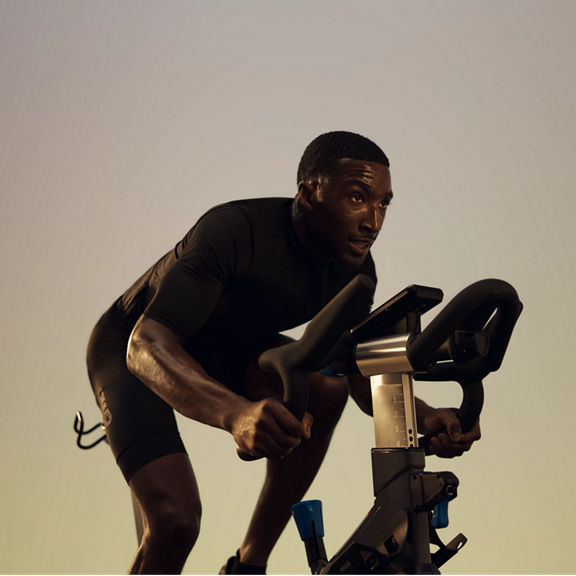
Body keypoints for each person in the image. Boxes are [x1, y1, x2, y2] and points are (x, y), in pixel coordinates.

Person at [86, 131, 481, 574]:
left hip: (230, 346)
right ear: (309, 194)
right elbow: (145, 345)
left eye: (384, 203)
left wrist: (423, 415)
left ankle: (250, 562)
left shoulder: (354, 271)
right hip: (134, 347)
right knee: (176, 523)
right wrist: (236, 414)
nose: (373, 221)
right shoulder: (234, 231)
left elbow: (348, 370)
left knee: (325, 388)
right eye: (357, 197)